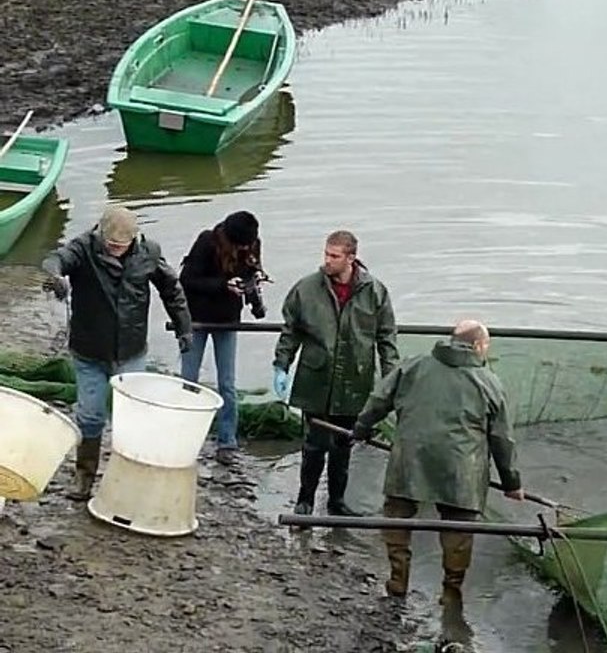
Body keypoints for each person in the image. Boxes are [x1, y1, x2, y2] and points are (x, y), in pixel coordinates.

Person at [352, 320, 524, 604]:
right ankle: (450, 592)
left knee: (397, 519)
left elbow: (379, 400)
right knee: (458, 531)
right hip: (461, 471)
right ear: (479, 346)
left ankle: (398, 583)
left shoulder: (413, 365)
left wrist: (361, 428)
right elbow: (501, 438)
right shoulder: (489, 382)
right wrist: (511, 483)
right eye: (486, 347)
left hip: (409, 461)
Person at [41, 205, 192, 501]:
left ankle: (129, 480)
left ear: (134, 240)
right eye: (110, 245)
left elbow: (171, 290)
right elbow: (56, 259)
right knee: (90, 416)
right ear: (100, 234)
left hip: (131, 350)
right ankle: (84, 478)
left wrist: (184, 327)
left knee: (133, 419)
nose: (115, 250)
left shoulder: (149, 252)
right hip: (89, 351)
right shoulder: (83, 248)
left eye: (121, 246)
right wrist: (55, 277)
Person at [272, 230, 399, 517]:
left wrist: (391, 380)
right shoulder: (306, 289)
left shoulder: (375, 292)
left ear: (351, 258)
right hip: (316, 378)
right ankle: (304, 501)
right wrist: (282, 364)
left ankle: (336, 502)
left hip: (355, 380)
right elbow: (291, 330)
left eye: (334, 256)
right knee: (314, 445)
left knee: (344, 445)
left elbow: (386, 338)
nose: (327, 261)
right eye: (326, 254)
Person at [179, 211, 266, 466]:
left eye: (249, 245)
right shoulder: (207, 242)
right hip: (197, 318)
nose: (245, 248)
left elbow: (250, 273)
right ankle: (184, 435)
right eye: (241, 245)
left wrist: (253, 284)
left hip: (228, 319)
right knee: (188, 380)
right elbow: (187, 281)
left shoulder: (251, 246)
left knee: (227, 382)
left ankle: (227, 441)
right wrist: (223, 285)